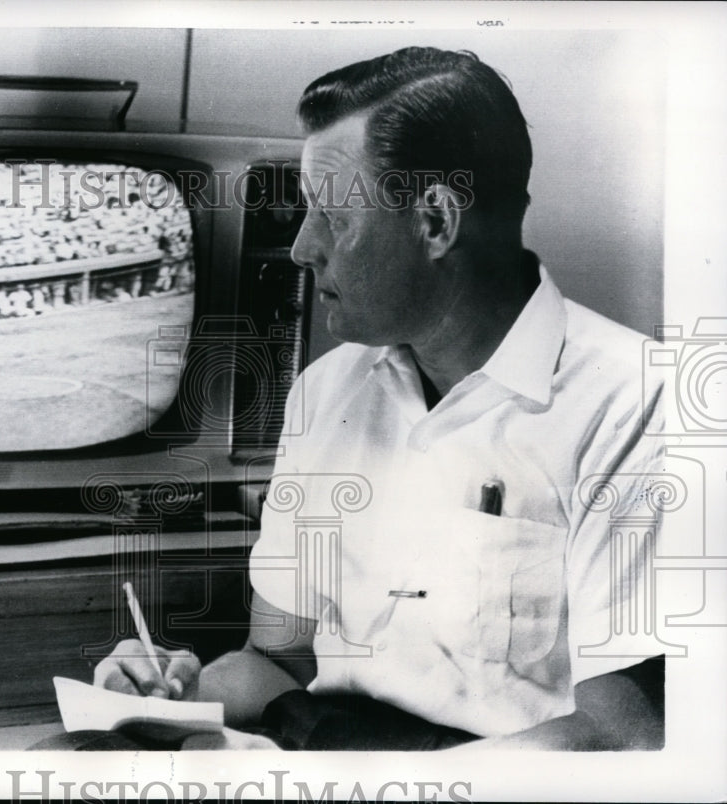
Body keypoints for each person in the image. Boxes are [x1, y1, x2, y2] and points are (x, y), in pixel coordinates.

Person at [93, 47, 666, 751]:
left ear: (435, 221)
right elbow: (276, 663)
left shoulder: (638, 403)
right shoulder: (327, 391)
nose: (303, 248)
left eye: (331, 217)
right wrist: (176, 691)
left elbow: (623, 739)